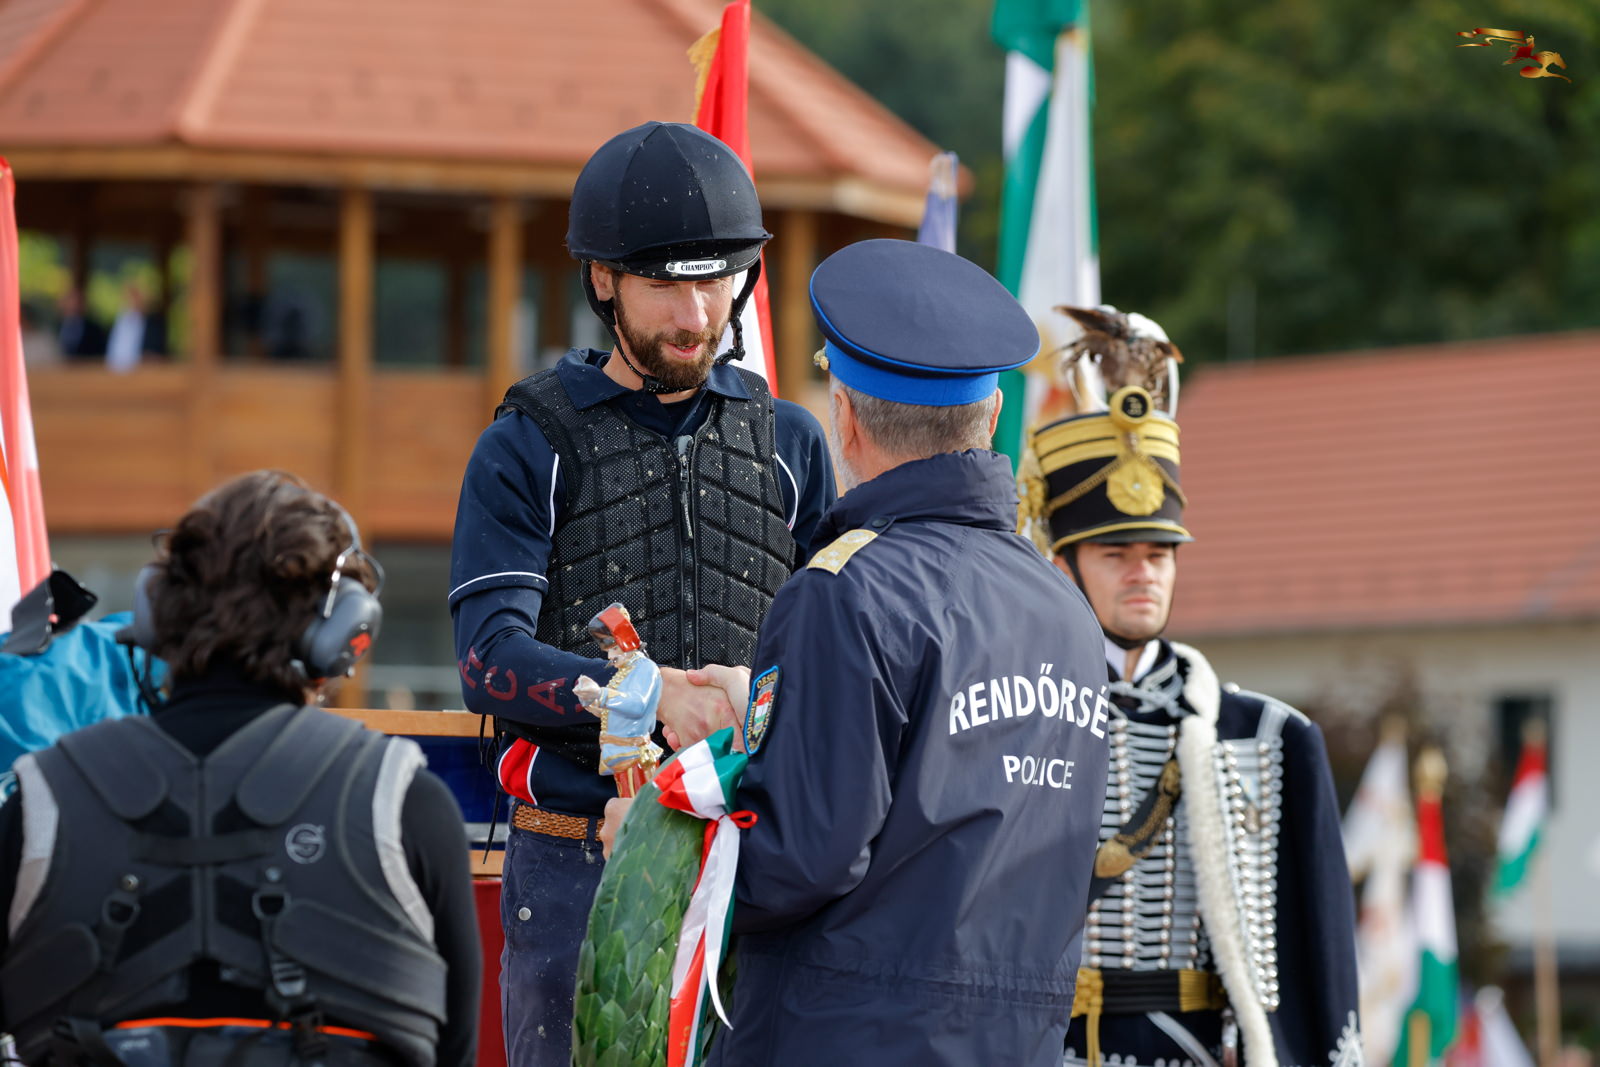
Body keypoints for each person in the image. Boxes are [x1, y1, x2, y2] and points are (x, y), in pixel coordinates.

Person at [613, 239, 1114, 1065]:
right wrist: (773, 716)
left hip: (849, 1038)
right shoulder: (1065, 608)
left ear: (843, 416)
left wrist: (653, 851)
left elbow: (801, 858)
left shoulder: (844, 590)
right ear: (991, 416)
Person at [448, 121, 834, 1067]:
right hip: (574, 858)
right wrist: (651, 694)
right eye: (665, 284)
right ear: (603, 280)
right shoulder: (526, 445)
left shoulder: (792, 444)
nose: (696, 313)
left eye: (717, 280)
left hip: (758, 860)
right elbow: (487, 661)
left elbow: (840, 659)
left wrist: (759, 698)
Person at [0, 470, 481, 1066]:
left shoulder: (39, 804)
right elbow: (457, 1050)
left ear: (155, 613)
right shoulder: (407, 803)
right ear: (343, 636)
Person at [1019, 306, 1362, 1067]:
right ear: (1063, 564)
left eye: (1159, 554)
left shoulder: (1268, 737)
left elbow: (1318, 951)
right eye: (1115, 554)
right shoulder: (1017, 715)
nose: (1142, 573)